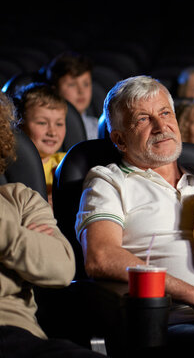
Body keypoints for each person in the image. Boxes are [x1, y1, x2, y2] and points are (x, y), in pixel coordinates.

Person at [75, 76, 194, 358]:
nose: (161, 127)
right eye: (143, 119)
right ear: (119, 139)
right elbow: (101, 257)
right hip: (172, 321)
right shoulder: (108, 181)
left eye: (165, 113)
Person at [0, 91, 102, 358]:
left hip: (14, 333)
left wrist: (5, 234)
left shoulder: (20, 197)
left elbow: (60, 267)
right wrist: (25, 238)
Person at [13, 82, 67, 205]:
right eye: (42, 123)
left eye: (59, 124)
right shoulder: (14, 167)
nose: (52, 132)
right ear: (20, 125)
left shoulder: (67, 163)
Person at [46, 51, 99, 140]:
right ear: (55, 89)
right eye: (72, 85)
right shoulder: (51, 131)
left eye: (86, 84)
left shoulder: (96, 126)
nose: (81, 91)